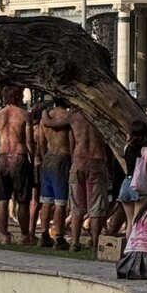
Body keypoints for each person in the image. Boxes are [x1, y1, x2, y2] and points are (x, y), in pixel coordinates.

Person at [47, 103, 110, 253]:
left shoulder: (74, 116)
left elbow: (49, 123)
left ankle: (75, 242)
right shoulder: (100, 117)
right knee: (96, 207)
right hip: (96, 161)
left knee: (76, 206)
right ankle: (94, 243)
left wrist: (44, 111)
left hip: (78, 162)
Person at [0, 85, 35, 244]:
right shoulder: (25, 115)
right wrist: (34, 160)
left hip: (3, 158)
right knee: (23, 199)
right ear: (17, 95)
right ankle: (25, 235)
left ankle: (4, 235)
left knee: (2, 199)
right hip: (19, 157)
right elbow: (29, 141)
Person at [36, 99, 75, 249]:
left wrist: (41, 155)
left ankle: (44, 234)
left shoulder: (47, 117)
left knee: (46, 200)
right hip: (62, 158)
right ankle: (59, 237)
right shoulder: (67, 117)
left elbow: (40, 140)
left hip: (48, 157)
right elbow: (71, 141)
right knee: (60, 202)